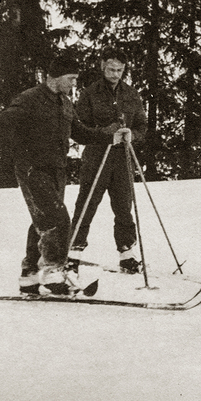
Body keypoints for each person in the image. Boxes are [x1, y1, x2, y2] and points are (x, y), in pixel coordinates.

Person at [0, 54, 130, 295]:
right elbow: (7, 120)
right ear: (56, 76)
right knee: (58, 220)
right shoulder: (30, 98)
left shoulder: (64, 102)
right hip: (32, 168)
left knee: (43, 222)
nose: (74, 83)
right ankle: (53, 273)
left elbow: (79, 132)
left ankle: (29, 276)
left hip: (56, 169)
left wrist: (110, 138)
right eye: (71, 78)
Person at [65, 49, 147, 274]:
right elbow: (79, 127)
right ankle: (72, 255)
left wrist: (133, 135)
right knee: (87, 205)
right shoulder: (90, 93)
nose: (115, 74)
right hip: (97, 156)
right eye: (111, 69)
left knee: (124, 207)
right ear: (102, 66)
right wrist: (105, 132)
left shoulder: (131, 94)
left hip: (122, 158)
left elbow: (142, 126)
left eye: (120, 70)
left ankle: (127, 255)